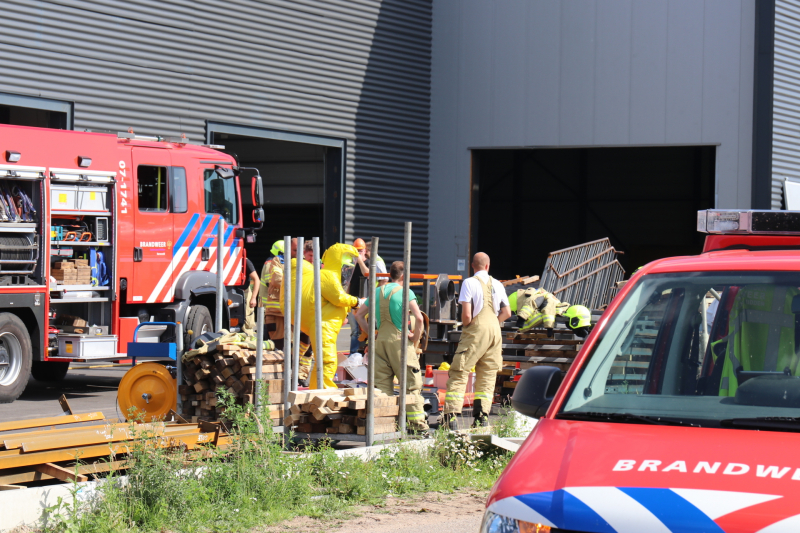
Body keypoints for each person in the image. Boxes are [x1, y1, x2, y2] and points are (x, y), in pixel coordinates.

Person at [355, 261, 428, 433]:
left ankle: (385, 426)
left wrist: (372, 334)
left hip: (380, 343)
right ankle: (418, 427)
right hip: (400, 344)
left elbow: (359, 315)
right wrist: (415, 337)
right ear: (403, 276)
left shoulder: (377, 292)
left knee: (382, 388)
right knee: (410, 385)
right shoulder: (405, 293)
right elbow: (418, 318)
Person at [440, 252, 510, 429]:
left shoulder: (469, 283)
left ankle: (451, 417)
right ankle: (481, 417)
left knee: (460, 370)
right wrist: (493, 322)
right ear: (488, 266)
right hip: (495, 330)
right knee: (487, 374)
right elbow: (507, 313)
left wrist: (469, 326)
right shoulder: (498, 284)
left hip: (476, 329)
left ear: (472, 266)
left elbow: (466, 314)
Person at [302, 243, 360, 388]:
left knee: (324, 361)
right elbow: (339, 298)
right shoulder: (328, 276)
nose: (346, 273)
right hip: (324, 326)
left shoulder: (329, 277)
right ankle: (324, 394)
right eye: (344, 269)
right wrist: (357, 302)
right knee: (328, 361)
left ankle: (317, 391)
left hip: (326, 326)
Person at [260, 240, 286, 349]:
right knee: (270, 340)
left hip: (272, 308)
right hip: (268, 308)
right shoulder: (270, 264)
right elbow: (272, 282)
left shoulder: (273, 263)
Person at [240, 257, 260, 335]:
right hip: (230, 292)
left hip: (245, 293)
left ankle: (249, 339)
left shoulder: (245, 261)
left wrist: (253, 298)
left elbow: (256, 279)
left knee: (247, 321)